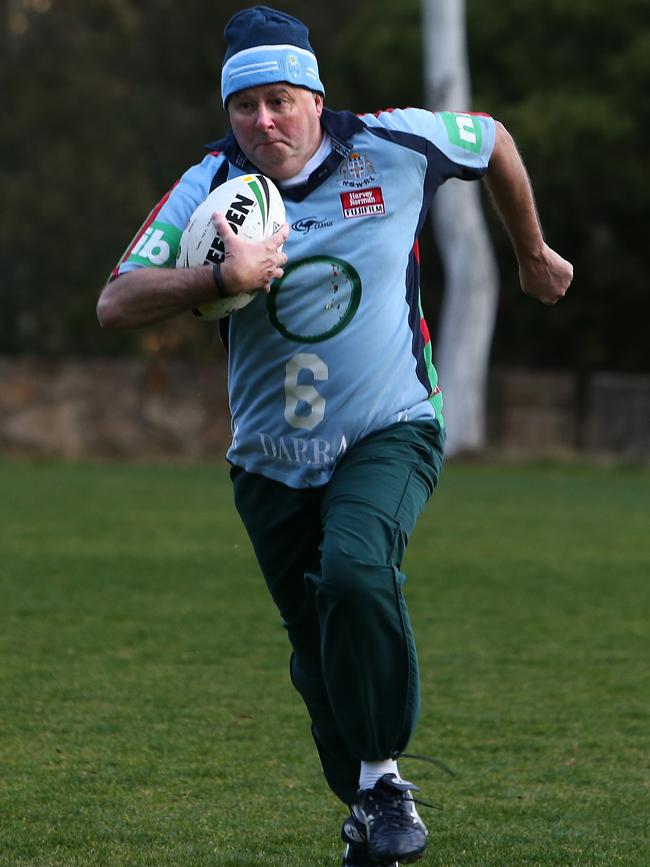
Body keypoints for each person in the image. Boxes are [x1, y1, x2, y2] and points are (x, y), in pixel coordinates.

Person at [97, 6, 573, 865]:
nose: (263, 122)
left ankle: (387, 778)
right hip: (270, 465)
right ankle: (366, 804)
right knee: (317, 657)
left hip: (390, 428)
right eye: (245, 107)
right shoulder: (210, 183)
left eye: (280, 99)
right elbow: (115, 300)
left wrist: (531, 253)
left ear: (316, 96)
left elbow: (493, 137)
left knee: (356, 571)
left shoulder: (394, 146)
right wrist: (220, 274)